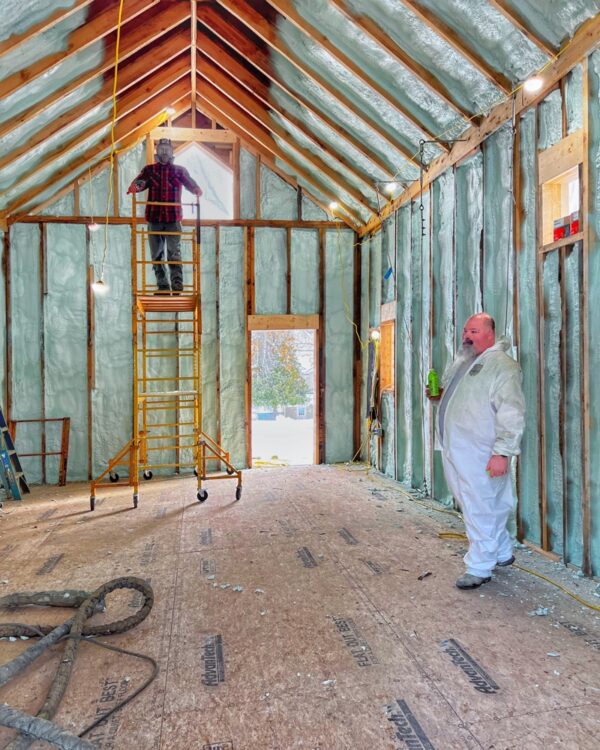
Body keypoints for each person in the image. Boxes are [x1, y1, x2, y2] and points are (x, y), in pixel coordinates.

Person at [427, 313, 525, 590]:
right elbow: (463, 399)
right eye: (465, 331)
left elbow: (512, 412)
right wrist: (439, 396)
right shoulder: (467, 362)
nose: (467, 336)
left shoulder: (502, 367)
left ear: (491, 333)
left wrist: (502, 452)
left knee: (479, 506)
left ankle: (480, 566)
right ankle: (502, 552)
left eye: (474, 331)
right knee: (483, 502)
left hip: (481, 451)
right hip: (457, 448)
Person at [127, 138, 203, 292]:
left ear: (172, 152)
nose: (164, 152)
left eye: (167, 149)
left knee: (174, 253)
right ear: (157, 151)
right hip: (154, 218)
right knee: (157, 255)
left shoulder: (179, 170)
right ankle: (162, 285)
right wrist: (135, 186)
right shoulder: (150, 170)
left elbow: (189, 182)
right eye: (161, 149)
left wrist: (196, 189)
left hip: (173, 218)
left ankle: (176, 285)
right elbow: (141, 182)